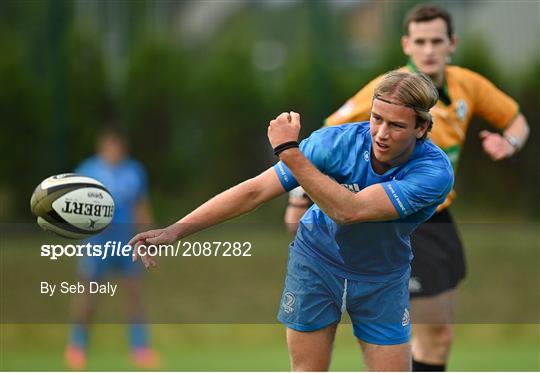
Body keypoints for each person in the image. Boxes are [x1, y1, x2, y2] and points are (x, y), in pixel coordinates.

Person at [130, 71, 454, 371]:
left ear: (421, 128)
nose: (381, 134)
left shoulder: (433, 173)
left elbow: (350, 211)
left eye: (396, 125)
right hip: (317, 261)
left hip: (382, 276)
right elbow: (255, 191)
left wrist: (289, 150)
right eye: (376, 119)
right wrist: (175, 231)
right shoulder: (336, 144)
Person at [284, 4, 530, 371]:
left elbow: (517, 122)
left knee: (440, 336)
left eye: (436, 41)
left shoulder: (467, 85)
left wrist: (508, 145)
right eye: (420, 41)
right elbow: (322, 145)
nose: (428, 50)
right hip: (387, 219)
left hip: (437, 217)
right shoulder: (391, 91)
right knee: (415, 334)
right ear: (406, 45)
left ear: (452, 44)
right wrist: (300, 198)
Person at [65, 127, 159, 370]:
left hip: (127, 241)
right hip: (98, 243)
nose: (115, 150)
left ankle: (139, 348)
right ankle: (77, 347)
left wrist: (150, 240)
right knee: (88, 297)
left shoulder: (134, 171)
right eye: (110, 145)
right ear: (102, 146)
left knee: (134, 295)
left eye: (119, 145)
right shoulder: (88, 171)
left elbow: (140, 207)